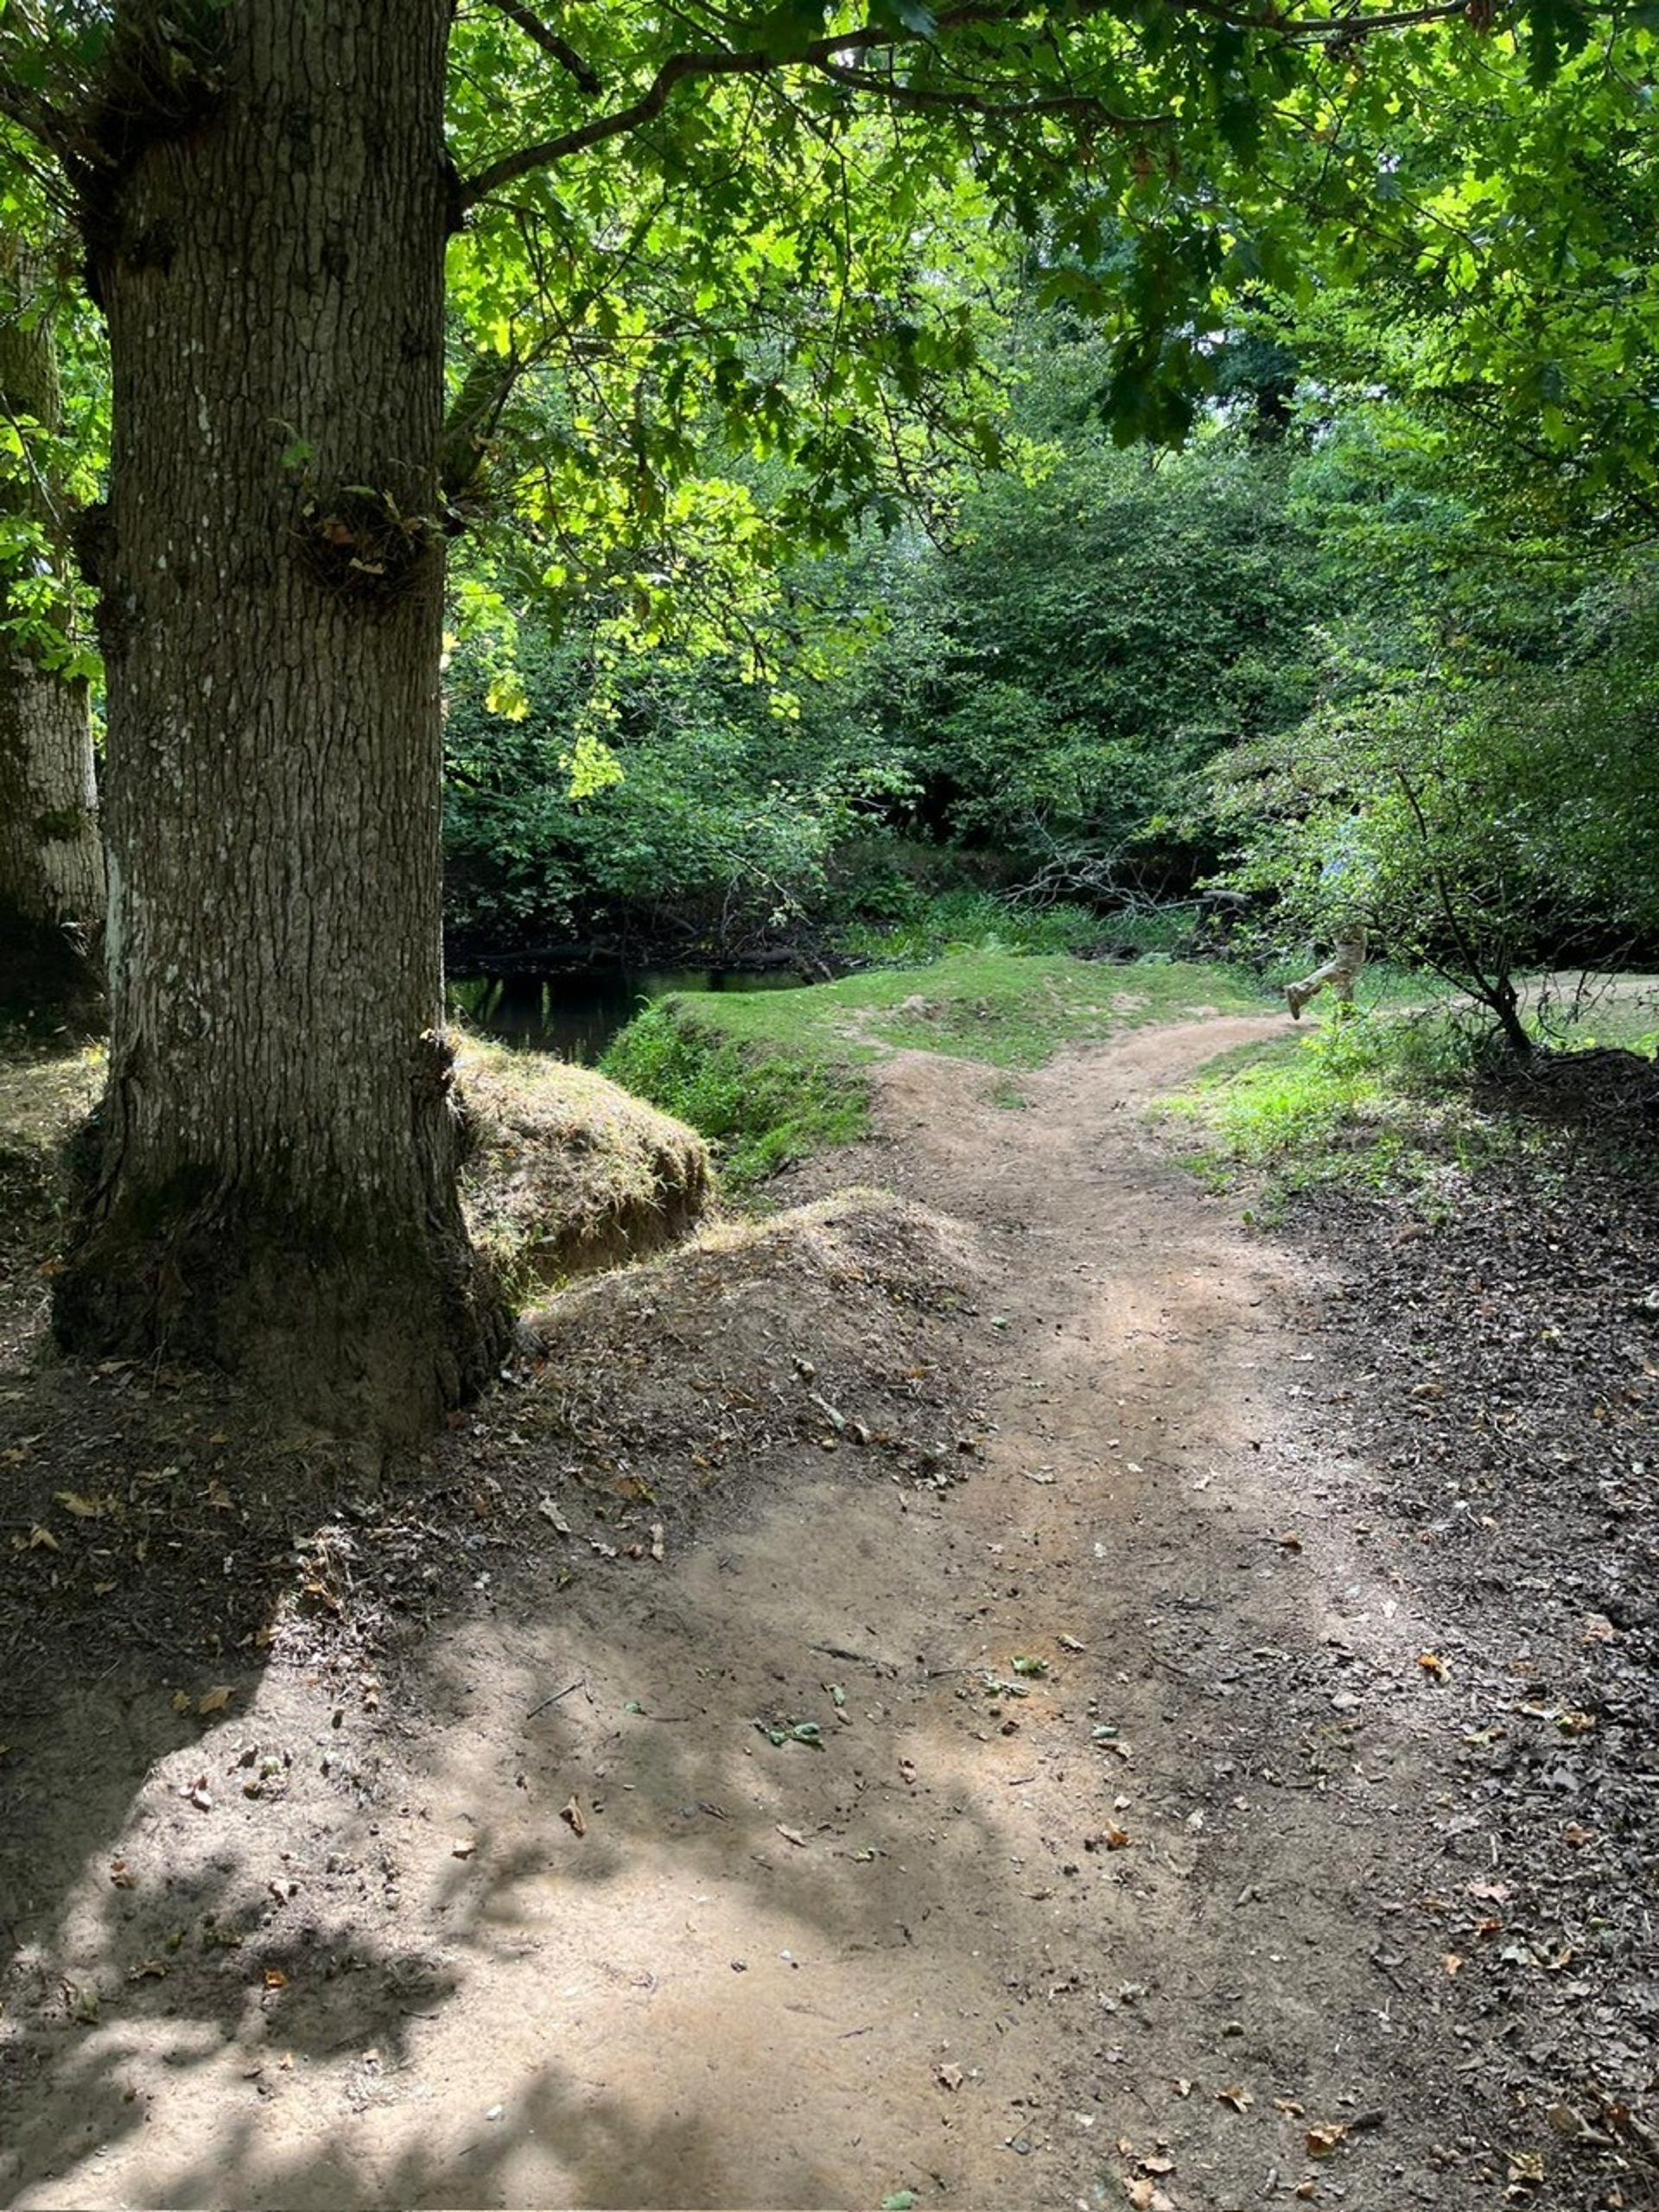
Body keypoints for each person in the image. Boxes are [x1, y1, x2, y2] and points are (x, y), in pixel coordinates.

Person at [1286, 922, 1367, 1019]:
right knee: (1345, 966)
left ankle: (1345, 1009)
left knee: (1348, 969)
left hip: (1348, 921)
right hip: (1349, 922)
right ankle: (1300, 990)